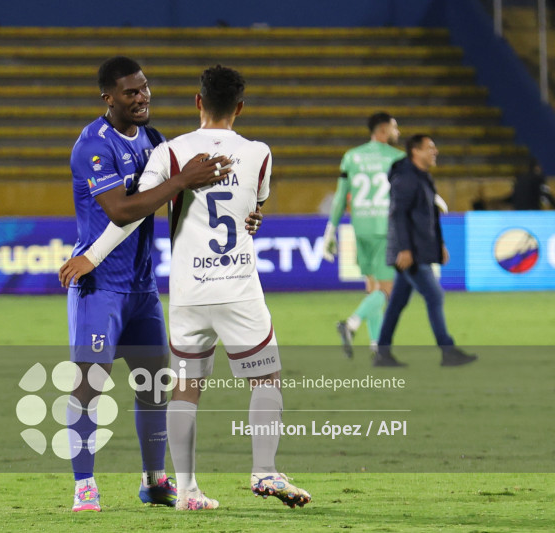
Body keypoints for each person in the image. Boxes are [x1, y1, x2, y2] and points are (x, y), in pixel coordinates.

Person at [62, 65, 311, 511]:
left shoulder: (163, 145)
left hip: (152, 286)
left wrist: (245, 215)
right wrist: (92, 258)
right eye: (131, 92)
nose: (142, 98)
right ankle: (85, 484)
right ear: (108, 97)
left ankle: (163, 482)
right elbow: (123, 211)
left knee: (161, 387)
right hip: (102, 284)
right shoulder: (93, 146)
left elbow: (168, 209)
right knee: (89, 384)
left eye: (145, 89)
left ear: (198, 102)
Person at [375, 134, 477, 367]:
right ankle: (447, 351)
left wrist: (439, 244)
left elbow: (427, 217)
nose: (435, 151)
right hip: (410, 253)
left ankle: (382, 352)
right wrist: (404, 249)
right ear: (415, 152)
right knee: (434, 295)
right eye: (430, 148)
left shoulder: (421, 177)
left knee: (398, 302)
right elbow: (398, 215)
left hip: (418, 250)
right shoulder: (407, 179)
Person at [322, 112, 405, 358]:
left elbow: (339, 198)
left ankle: (377, 347)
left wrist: (330, 230)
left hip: (360, 229)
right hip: (385, 229)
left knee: (372, 288)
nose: (397, 132)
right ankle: (351, 324)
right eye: (394, 127)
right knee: (387, 291)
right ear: (382, 129)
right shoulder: (398, 158)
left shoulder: (351, 157)